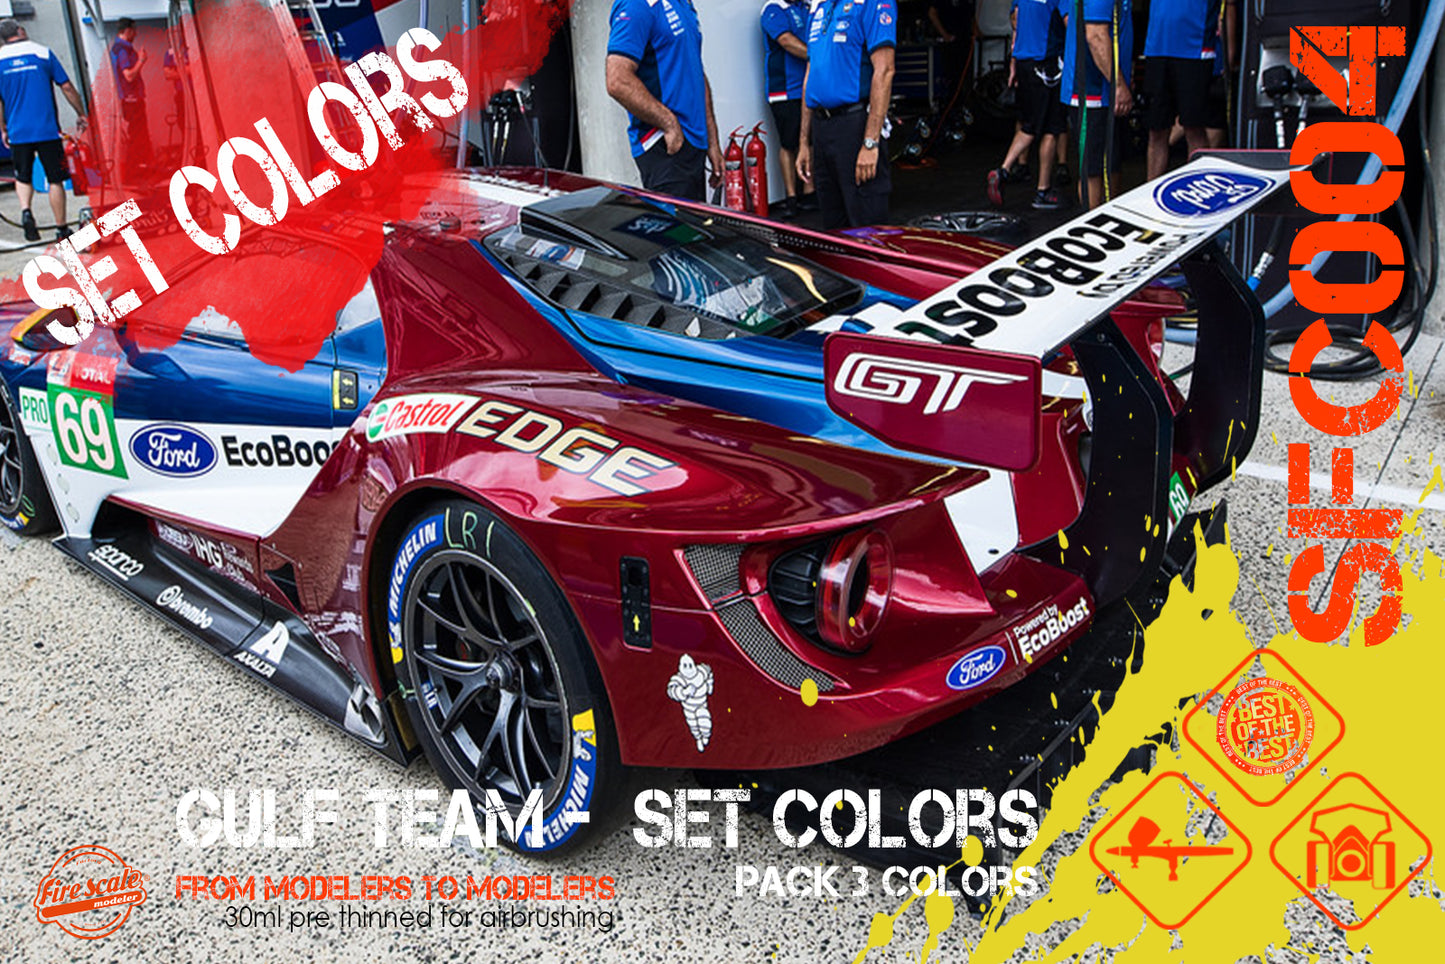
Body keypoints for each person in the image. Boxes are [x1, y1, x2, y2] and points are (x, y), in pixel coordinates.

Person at [605, 0, 723, 202]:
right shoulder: (636, 5)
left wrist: (712, 142)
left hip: (692, 144)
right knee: (675, 223)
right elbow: (617, 80)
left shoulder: (684, 3)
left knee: (695, 222)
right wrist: (668, 123)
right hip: (665, 146)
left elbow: (695, 70)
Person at [797, 0, 897, 229]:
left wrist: (870, 143)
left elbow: (884, 70)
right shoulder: (820, 7)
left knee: (867, 228)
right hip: (822, 128)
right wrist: (804, 142)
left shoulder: (871, 3)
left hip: (855, 126)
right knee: (833, 228)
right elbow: (810, 75)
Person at [0, 19, 86, 242]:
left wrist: (3, 128)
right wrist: (81, 112)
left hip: (18, 131)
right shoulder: (42, 52)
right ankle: (61, 229)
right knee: (55, 179)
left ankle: (26, 212)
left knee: (23, 176)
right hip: (46, 129)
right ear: (20, 31)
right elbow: (66, 86)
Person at [987, 0, 1067, 210]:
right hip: (1047, 62)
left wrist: (1013, 62)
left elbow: (1016, 21)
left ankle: (1003, 170)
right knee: (1051, 128)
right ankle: (1042, 190)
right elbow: (1070, 23)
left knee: (1028, 124)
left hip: (1024, 61)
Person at [1059, 0, 1133, 210]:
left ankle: (1111, 219)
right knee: (1093, 169)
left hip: (1105, 92)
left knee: (1112, 164)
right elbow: (1095, 36)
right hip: (1091, 92)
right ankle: (1093, 224)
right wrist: (1118, 85)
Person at [1142, 0, 1222, 180]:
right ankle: (1151, 191)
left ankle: (1200, 186)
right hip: (1157, 46)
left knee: (1194, 127)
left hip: (1195, 47)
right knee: (1156, 129)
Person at [760, 0, 815, 218]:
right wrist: (817, 57)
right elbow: (786, 41)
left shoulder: (805, 7)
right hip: (784, 91)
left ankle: (809, 193)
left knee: (810, 140)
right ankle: (791, 197)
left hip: (808, 87)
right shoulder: (773, 8)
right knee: (789, 143)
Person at [111, 17, 152, 182]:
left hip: (130, 99)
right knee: (137, 136)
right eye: (134, 31)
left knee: (136, 135)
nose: (135, 34)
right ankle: (136, 173)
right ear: (127, 31)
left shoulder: (118, 48)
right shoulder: (123, 50)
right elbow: (128, 75)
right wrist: (141, 61)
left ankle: (137, 171)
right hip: (131, 100)